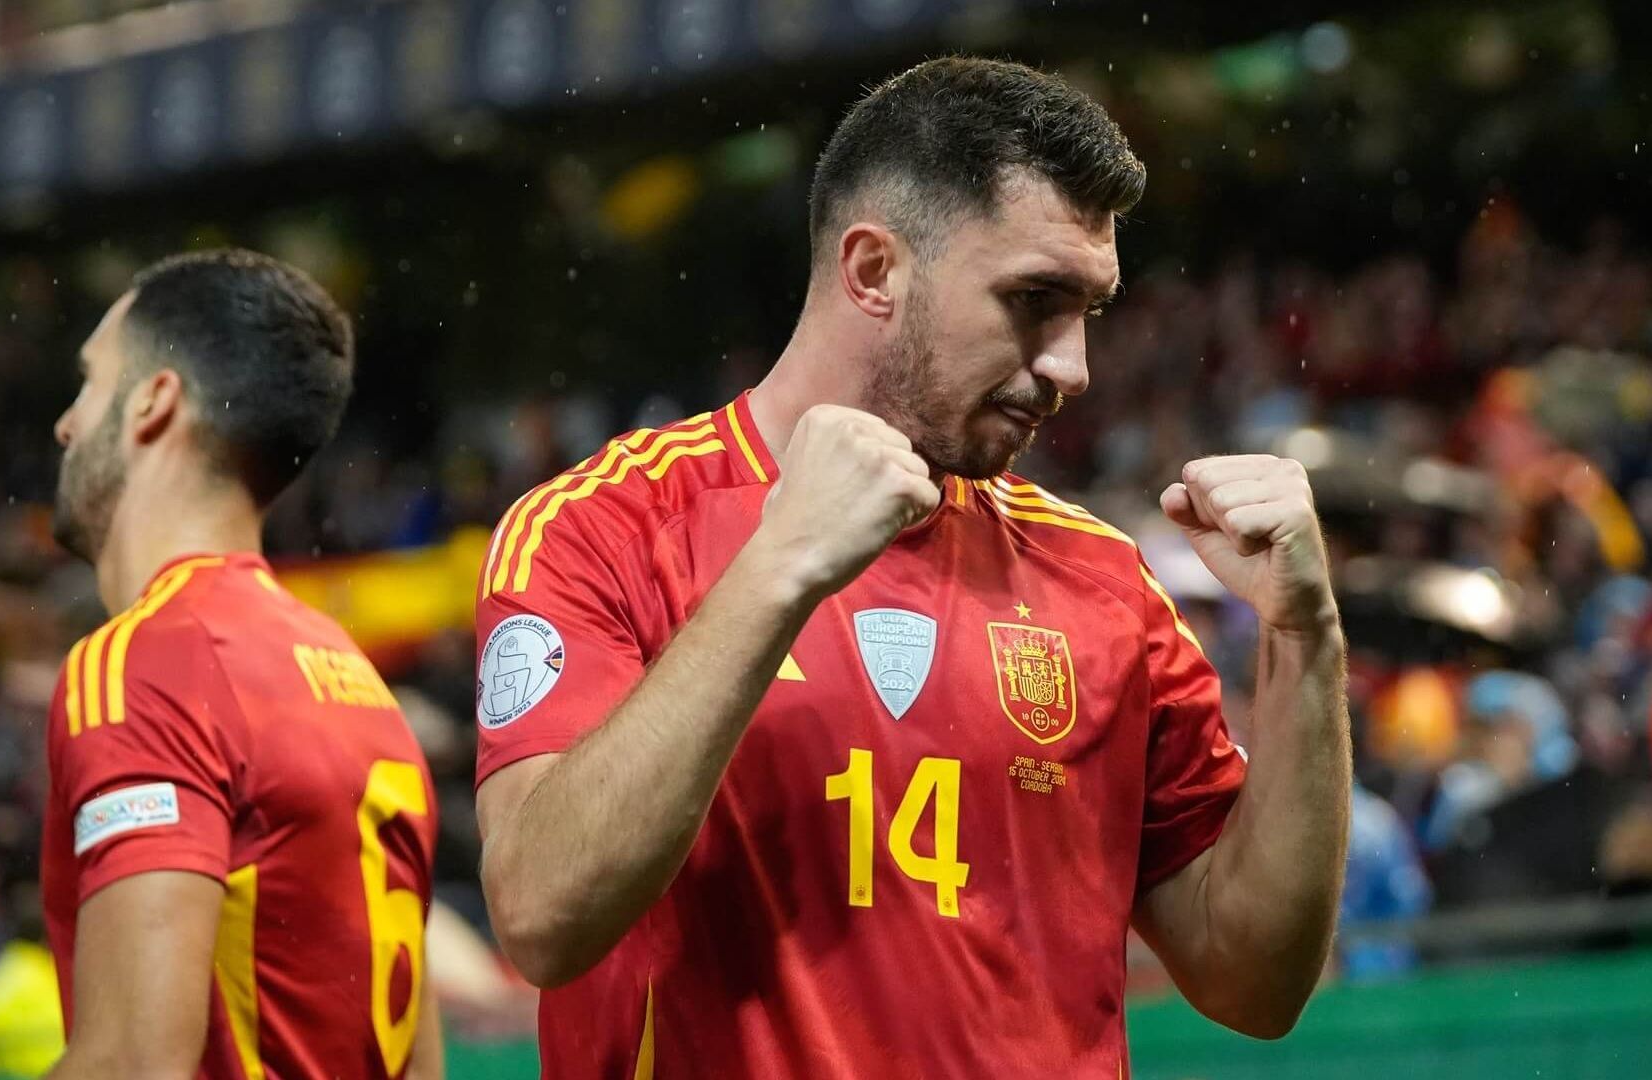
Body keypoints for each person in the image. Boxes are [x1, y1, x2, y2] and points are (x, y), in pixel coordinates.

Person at [475, 57, 1349, 1076]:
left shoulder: (1102, 583)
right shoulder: (605, 529)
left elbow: (1255, 981)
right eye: (1033, 300)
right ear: (875, 271)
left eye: (1089, 312)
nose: (1073, 366)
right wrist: (780, 570)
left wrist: (1307, 644)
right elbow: (542, 915)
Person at [40, 250, 441, 1079]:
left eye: (88, 383)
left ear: (153, 401)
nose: (65, 424)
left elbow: (134, 1064)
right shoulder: (357, 684)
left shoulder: (145, 661)